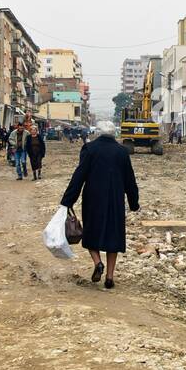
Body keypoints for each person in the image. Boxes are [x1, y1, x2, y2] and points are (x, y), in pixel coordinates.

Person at [61, 120, 139, 290]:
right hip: (115, 199)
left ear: (98, 132)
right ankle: (110, 277)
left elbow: (79, 176)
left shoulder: (90, 149)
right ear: (113, 133)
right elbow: (129, 180)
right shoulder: (122, 152)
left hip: (93, 198)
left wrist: (68, 200)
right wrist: (134, 203)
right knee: (114, 236)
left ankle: (97, 263)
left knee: (90, 232)